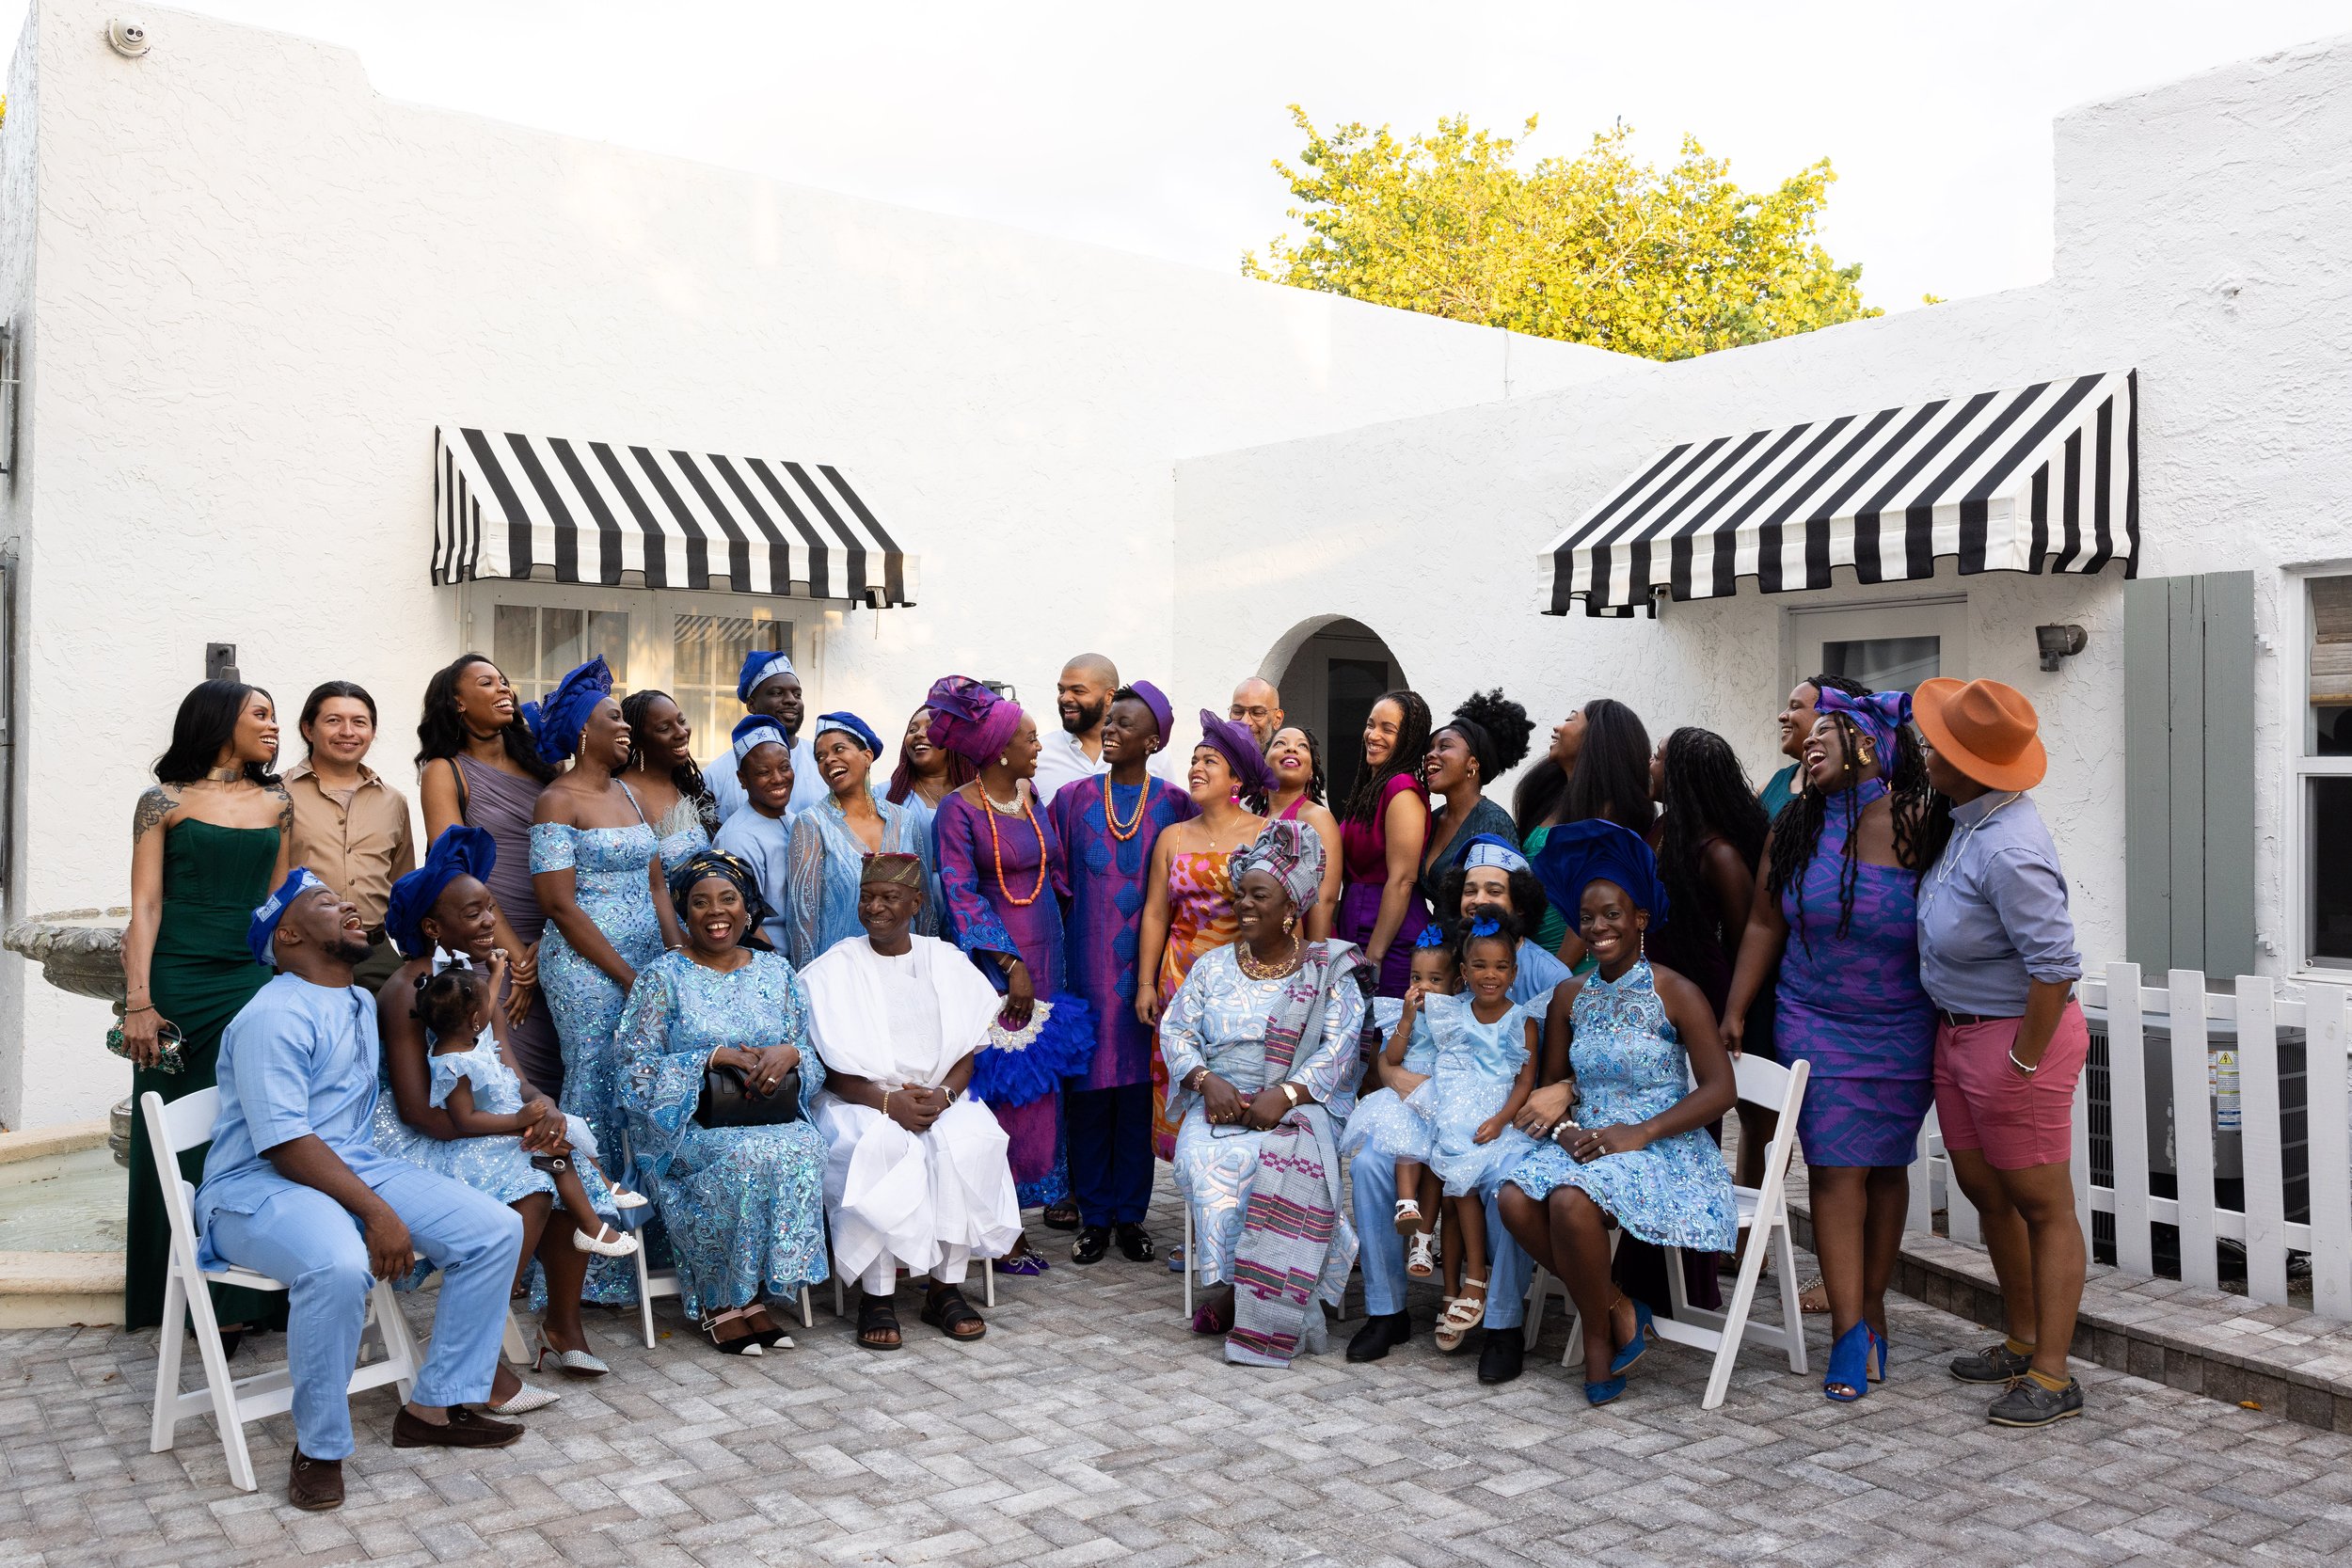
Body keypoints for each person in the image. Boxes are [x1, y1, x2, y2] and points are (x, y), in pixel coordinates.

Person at [197, 871, 527, 1511]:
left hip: (347, 1167)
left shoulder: (352, 1000)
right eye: (325, 902)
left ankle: (433, 1408)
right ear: (287, 936)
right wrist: (376, 1212)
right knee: (339, 1263)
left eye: (345, 897)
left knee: (493, 1229)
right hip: (257, 1187)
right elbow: (286, 1143)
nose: (348, 904)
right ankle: (319, 1447)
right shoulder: (273, 1013)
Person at [1722, 687, 1941, 1402]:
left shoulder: (1918, 822)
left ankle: (1871, 1306)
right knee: (1836, 1168)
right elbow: (1762, 923)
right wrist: (1737, 1007)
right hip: (1813, 1019)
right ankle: (1849, 1329)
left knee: (1884, 1167)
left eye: (1828, 731)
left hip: (1903, 1023)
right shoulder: (1792, 826)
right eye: (1808, 733)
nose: (1809, 741)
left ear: (1871, 743)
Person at [1503, 822, 1738, 1405]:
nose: (1597, 928)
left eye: (1611, 915)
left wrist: (1640, 1132)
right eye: (1587, 918)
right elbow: (1558, 1084)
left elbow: (1721, 1090)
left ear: (1639, 919)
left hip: (1662, 1143)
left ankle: (1601, 1349)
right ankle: (1615, 1307)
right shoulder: (1569, 995)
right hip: (1589, 1137)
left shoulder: (1675, 991)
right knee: (1511, 1197)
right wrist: (1564, 1130)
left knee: (1567, 1201)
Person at [1913, 678, 2089, 1429]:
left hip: (2018, 1037)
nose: (1925, 750)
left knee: (2043, 1205)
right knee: (1988, 1193)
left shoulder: (2013, 847)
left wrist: (2021, 1061)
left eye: (1938, 745)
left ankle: (2054, 1373)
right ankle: (2021, 1339)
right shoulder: (1969, 824)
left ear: (1968, 764)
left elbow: (2055, 966)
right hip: (1960, 1034)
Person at [372, 825, 605, 1382]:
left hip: (485, 1121)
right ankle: (481, 1351)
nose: (488, 922)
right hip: (427, 1137)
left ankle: (561, 1326)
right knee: (535, 1183)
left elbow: (514, 1077)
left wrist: (543, 1108)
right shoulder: (407, 990)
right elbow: (416, 1112)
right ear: (433, 926)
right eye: (474, 913)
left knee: (567, 1155)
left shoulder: (474, 981)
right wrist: (513, 1132)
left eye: (491, 909)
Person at [1158, 820, 1372, 1367]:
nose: (1245, 905)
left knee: (1278, 1163)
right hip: (1220, 1104)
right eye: (1242, 894)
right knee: (1210, 1163)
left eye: (1260, 896)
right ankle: (1250, 1287)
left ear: (1290, 907)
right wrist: (1208, 1082)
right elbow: (1176, 1031)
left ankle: (1247, 1298)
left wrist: (1290, 1092)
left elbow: (1341, 1047)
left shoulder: (1328, 972)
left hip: (1299, 1110)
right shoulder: (1212, 967)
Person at [121, 680, 294, 1335]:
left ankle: (248, 1296)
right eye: (261, 713)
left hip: (249, 978)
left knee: (246, 1122)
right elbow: (145, 905)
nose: (273, 725)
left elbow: (280, 904)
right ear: (221, 720)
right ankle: (174, 1295)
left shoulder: (278, 801)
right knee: (170, 1129)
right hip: (178, 981)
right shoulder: (159, 801)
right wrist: (139, 999)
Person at [800, 853, 1023, 1349]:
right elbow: (829, 1071)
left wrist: (944, 1096)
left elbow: (969, 1050)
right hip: (861, 1101)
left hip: (939, 1096)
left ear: (916, 904)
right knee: (880, 1147)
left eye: (889, 898)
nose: (875, 908)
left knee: (969, 1141)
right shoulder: (833, 969)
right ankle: (876, 1297)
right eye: (867, 898)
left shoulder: (945, 960)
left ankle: (944, 1289)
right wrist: (887, 1104)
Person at [612, 849, 831, 1354]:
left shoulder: (777, 973)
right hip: (691, 1126)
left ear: (747, 907)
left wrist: (790, 1054)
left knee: (802, 1149)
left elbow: (816, 1062)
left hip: (770, 1115)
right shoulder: (662, 977)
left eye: (728, 899)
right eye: (700, 902)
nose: (716, 912)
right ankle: (719, 1298)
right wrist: (710, 1058)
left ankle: (751, 1294)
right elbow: (633, 1073)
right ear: (684, 913)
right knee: (741, 1161)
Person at [529, 657, 685, 1304]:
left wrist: (677, 960)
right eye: (613, 718)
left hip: (648, 959)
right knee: (595, 1086)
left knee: (643, 1090)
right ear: (581, 732)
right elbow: (560, 906)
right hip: (585, 968)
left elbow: (655, 882)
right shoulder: (556, 799)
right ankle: (585, 1262)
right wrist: (628, 976)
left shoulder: (627, 793)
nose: (625, 728)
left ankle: (647, 1247)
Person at [925, 675, 1094, 1255]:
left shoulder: (1031, 797)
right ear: (999, 749)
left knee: (1045, 1083)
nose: (1038, 745)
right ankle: (1001, 1224)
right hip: (998, 963)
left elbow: (1058, 876)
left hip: (1052, 951)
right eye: (1027, 738)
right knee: (1003, 1088)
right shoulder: (955, 811)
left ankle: (1047, 1198)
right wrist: (1009, 961)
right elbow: (960, 892)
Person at [1048, 682, 1195, 1263]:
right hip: (1084, 969)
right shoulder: (1072, 799)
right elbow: (1055, 886)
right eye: (1107, 721)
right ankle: (1095, 1216)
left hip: (1148, 975)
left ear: (1152, 740)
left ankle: (1131, 1216)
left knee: (1136, 1092)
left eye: (1123, 723)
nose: (1109, 730)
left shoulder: (1176, 804)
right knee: (1087, 1094)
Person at [413, 957, 638, 1258]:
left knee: (565, 1129)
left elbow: (483, 1000)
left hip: (507, 1116)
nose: (492, 1007)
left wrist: (497, 973)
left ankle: (604, 1184)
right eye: (486, 1006)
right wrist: (519, 1120)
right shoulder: (455, 1065)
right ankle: (591, 1227)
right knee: (556, 1151)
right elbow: (464, 1120)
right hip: (490, 1134)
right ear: (476, 1020)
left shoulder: (465, 1033)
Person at [416, 653, 564, 1092]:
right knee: (509, 1078)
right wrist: (518, 959)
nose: (503, 689)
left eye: (503, 681)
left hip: (554, 936)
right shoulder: (445, 771)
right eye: (486, 683)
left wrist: (548, 944)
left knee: (566, 1073)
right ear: (457, 702)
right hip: (489, 943)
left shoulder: (544, 765)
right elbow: (455, 874)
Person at [1136, 712, 1273, 1161]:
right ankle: (1194, 1210)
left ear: (1236, 778)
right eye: (1194, 760)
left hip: (1244, 980)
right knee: (1184, 1079)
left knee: (1240, 1083)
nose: (1196, 768)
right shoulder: (1172, 837)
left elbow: (1287, 911)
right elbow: (1157, 912)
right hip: (1179, 978)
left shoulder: (1264, 835)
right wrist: (1145, 983)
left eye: (1209, 761)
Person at [1647, 727, 1774, 1194]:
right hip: (1663, 991)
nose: (1651, 766)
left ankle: (1735, 1241)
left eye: (1658, 758)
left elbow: (1746, 937)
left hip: (1709, 994)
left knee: (1723, 1113)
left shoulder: (1717, 853)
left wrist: (1734, 1011)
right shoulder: (1662, 831)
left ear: (1680, 773)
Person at [1342, 929, 1461, 1282]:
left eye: (1434, 979)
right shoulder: (1404, 1013)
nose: (1422, 986)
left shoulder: (1459, 1014)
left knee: (1435, 1163)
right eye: (1416, 977)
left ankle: (1423, 1241)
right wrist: (1407, 1022)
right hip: (1407, 1094)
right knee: (1405, 1143)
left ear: (1456, 984)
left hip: (1443, 1097)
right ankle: (1406, 1205)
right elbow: (1391, 1058)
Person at [283, 681, 415, 993]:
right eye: (333, 721)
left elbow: (402, 881)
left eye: (359, 722)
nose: (347, 732)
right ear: (308, 729)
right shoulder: (277, 794)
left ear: (372, 731)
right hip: (301, 953)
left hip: (374, 951)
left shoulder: (393, 801)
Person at [785, 711, 935, 966]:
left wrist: (927, 967)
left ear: (867, 756)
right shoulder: (812, 823)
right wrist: (807, 985)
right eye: (820, 757)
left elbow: (925, 907)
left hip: (902, 969)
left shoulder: (904, 820)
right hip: (841, 975)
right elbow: (803, 919)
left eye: (839, 749)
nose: (829, 760)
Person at [1515, 698, 1654, 960]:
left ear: (1597, 739)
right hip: (1531, 964)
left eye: (1569, 719)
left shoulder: (1607, 816)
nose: (1557, 727)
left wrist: (1557, 977)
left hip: (1569, 969)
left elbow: (1590, 908)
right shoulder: (1551, 799)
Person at [1337, 689, 1434, 997]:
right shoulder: (1371, 789)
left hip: (1390, 938)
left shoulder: (1401, 788)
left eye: (1387, 729)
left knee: (1384, 1036)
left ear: (1407, 740)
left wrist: (1374, 955)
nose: (1373, 735)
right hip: (1357, 921)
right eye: (1370, 724)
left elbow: (1403, 880)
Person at [1418, 690, 1534, 911]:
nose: (1430, 755)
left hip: (1477, 941)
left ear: (1473, 763)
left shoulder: (1494, 821)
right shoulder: (1431, 820)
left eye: (1444, 746)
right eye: (1430, 749)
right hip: (1433, 941)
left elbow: (1508, 902)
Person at [1434, 833, 1573, 1006]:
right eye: (1470, 891)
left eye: (1494, 891)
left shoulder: (1551, 975)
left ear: (1520, 904)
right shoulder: (1445, 963)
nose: (1478, 900)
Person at [712, 718, 799, 953]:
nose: (778, 778)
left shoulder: (794, 820)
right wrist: (778, 968)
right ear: (743, 780)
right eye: (763, 772)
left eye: (784, 767)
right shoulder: (738, 837)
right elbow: (743, 919)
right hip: (772, 961)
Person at [706, 650, 823, 821]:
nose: (791, 700)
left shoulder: (821, 762)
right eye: (777, 692)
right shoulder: (717, 775)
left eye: (797, 694)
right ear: (752, 705)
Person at [884, 702, 975, 918]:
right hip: (908, 914)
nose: (918, 735)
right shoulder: (886, 796)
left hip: (968, 910)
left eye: (930, 727)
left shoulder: (974, 795)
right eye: (912, 730)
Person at [619, 689, 719, 862]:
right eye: (664, 728)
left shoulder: (688, 784)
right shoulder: (620, 793)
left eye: (682, 721)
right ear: (639, 742)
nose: (682, 732)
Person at [1759, 675, 1866, 823]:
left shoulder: (1856, 789)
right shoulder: (1769, 787)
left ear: (1830, 717)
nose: (1782, 716)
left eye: (1795, 707)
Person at [1032, 653, 1120, 803]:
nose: (1065, 698)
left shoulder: (1145, 754)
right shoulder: (1037, 754)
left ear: (1109, 696)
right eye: (1061, 690)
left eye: (1078, 691)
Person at [1228, 677, 1284, 750]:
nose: (1245, 722)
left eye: (1257, 713)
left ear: (1277, 719)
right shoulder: (1213, 755)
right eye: (1237, 711)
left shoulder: (1277, 760)